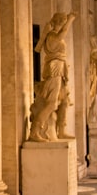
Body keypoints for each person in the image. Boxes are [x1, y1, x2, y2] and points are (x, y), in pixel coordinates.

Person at [28, 12, 76, 141]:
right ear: (56, 22)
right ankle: (35, 131)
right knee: (52, 103)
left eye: (63, 22)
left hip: (61, 70)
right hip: (54, 70)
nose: (62, 25)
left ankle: (61, 130)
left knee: (65, 101)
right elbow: (63, 33)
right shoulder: (51, 36)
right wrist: (70, 20)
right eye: (61, 22)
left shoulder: (54, 36)